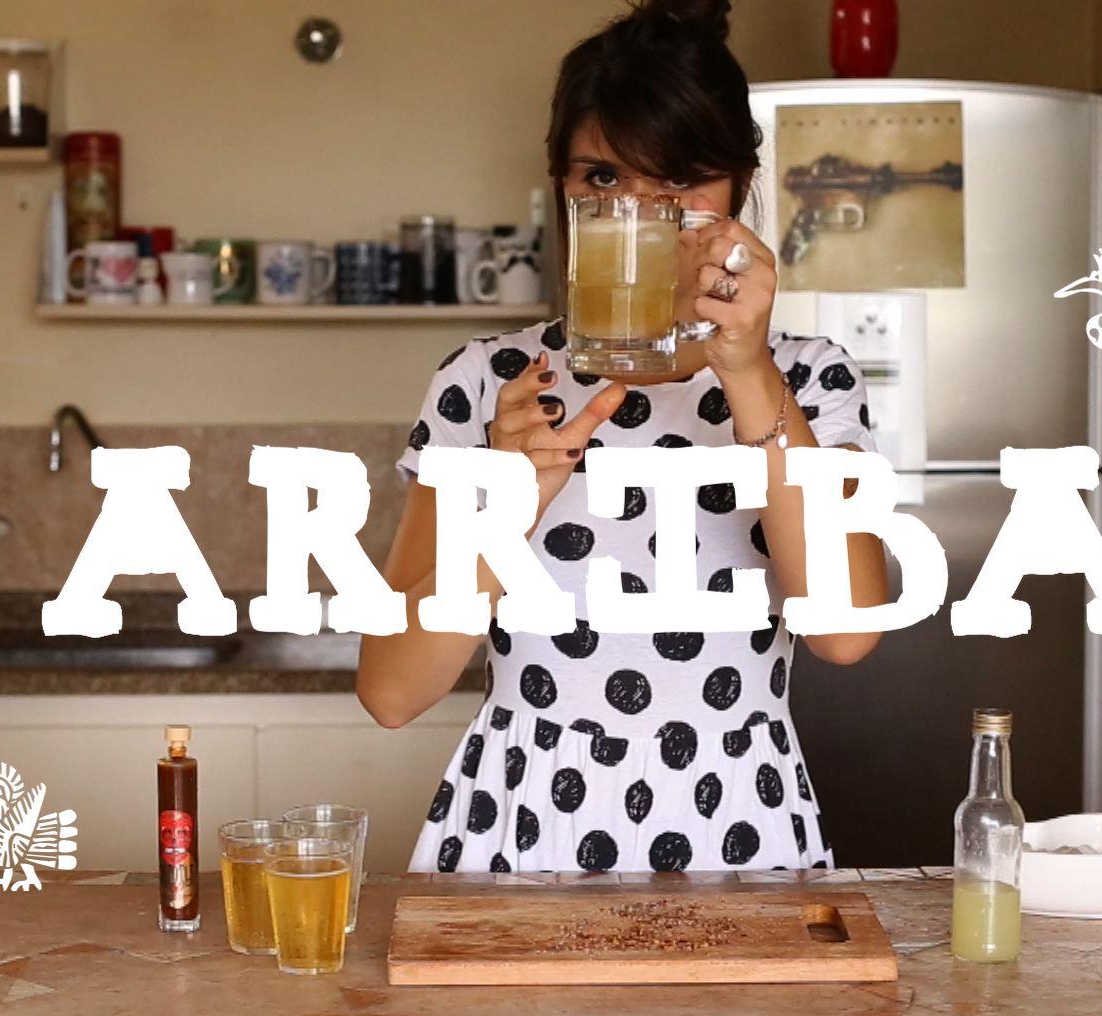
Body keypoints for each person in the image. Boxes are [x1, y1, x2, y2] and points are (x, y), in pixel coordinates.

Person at [356, 0, 888, 874]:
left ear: (739, 191)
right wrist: (509, 505)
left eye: (677, 183)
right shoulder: (488, 382)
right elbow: (390, 692)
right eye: (601, 179)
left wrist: (749, 372)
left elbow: (845, 631)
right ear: (562, 188)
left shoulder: (811, 379)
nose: (635, 216)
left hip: (736, 823)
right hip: (521, 824)